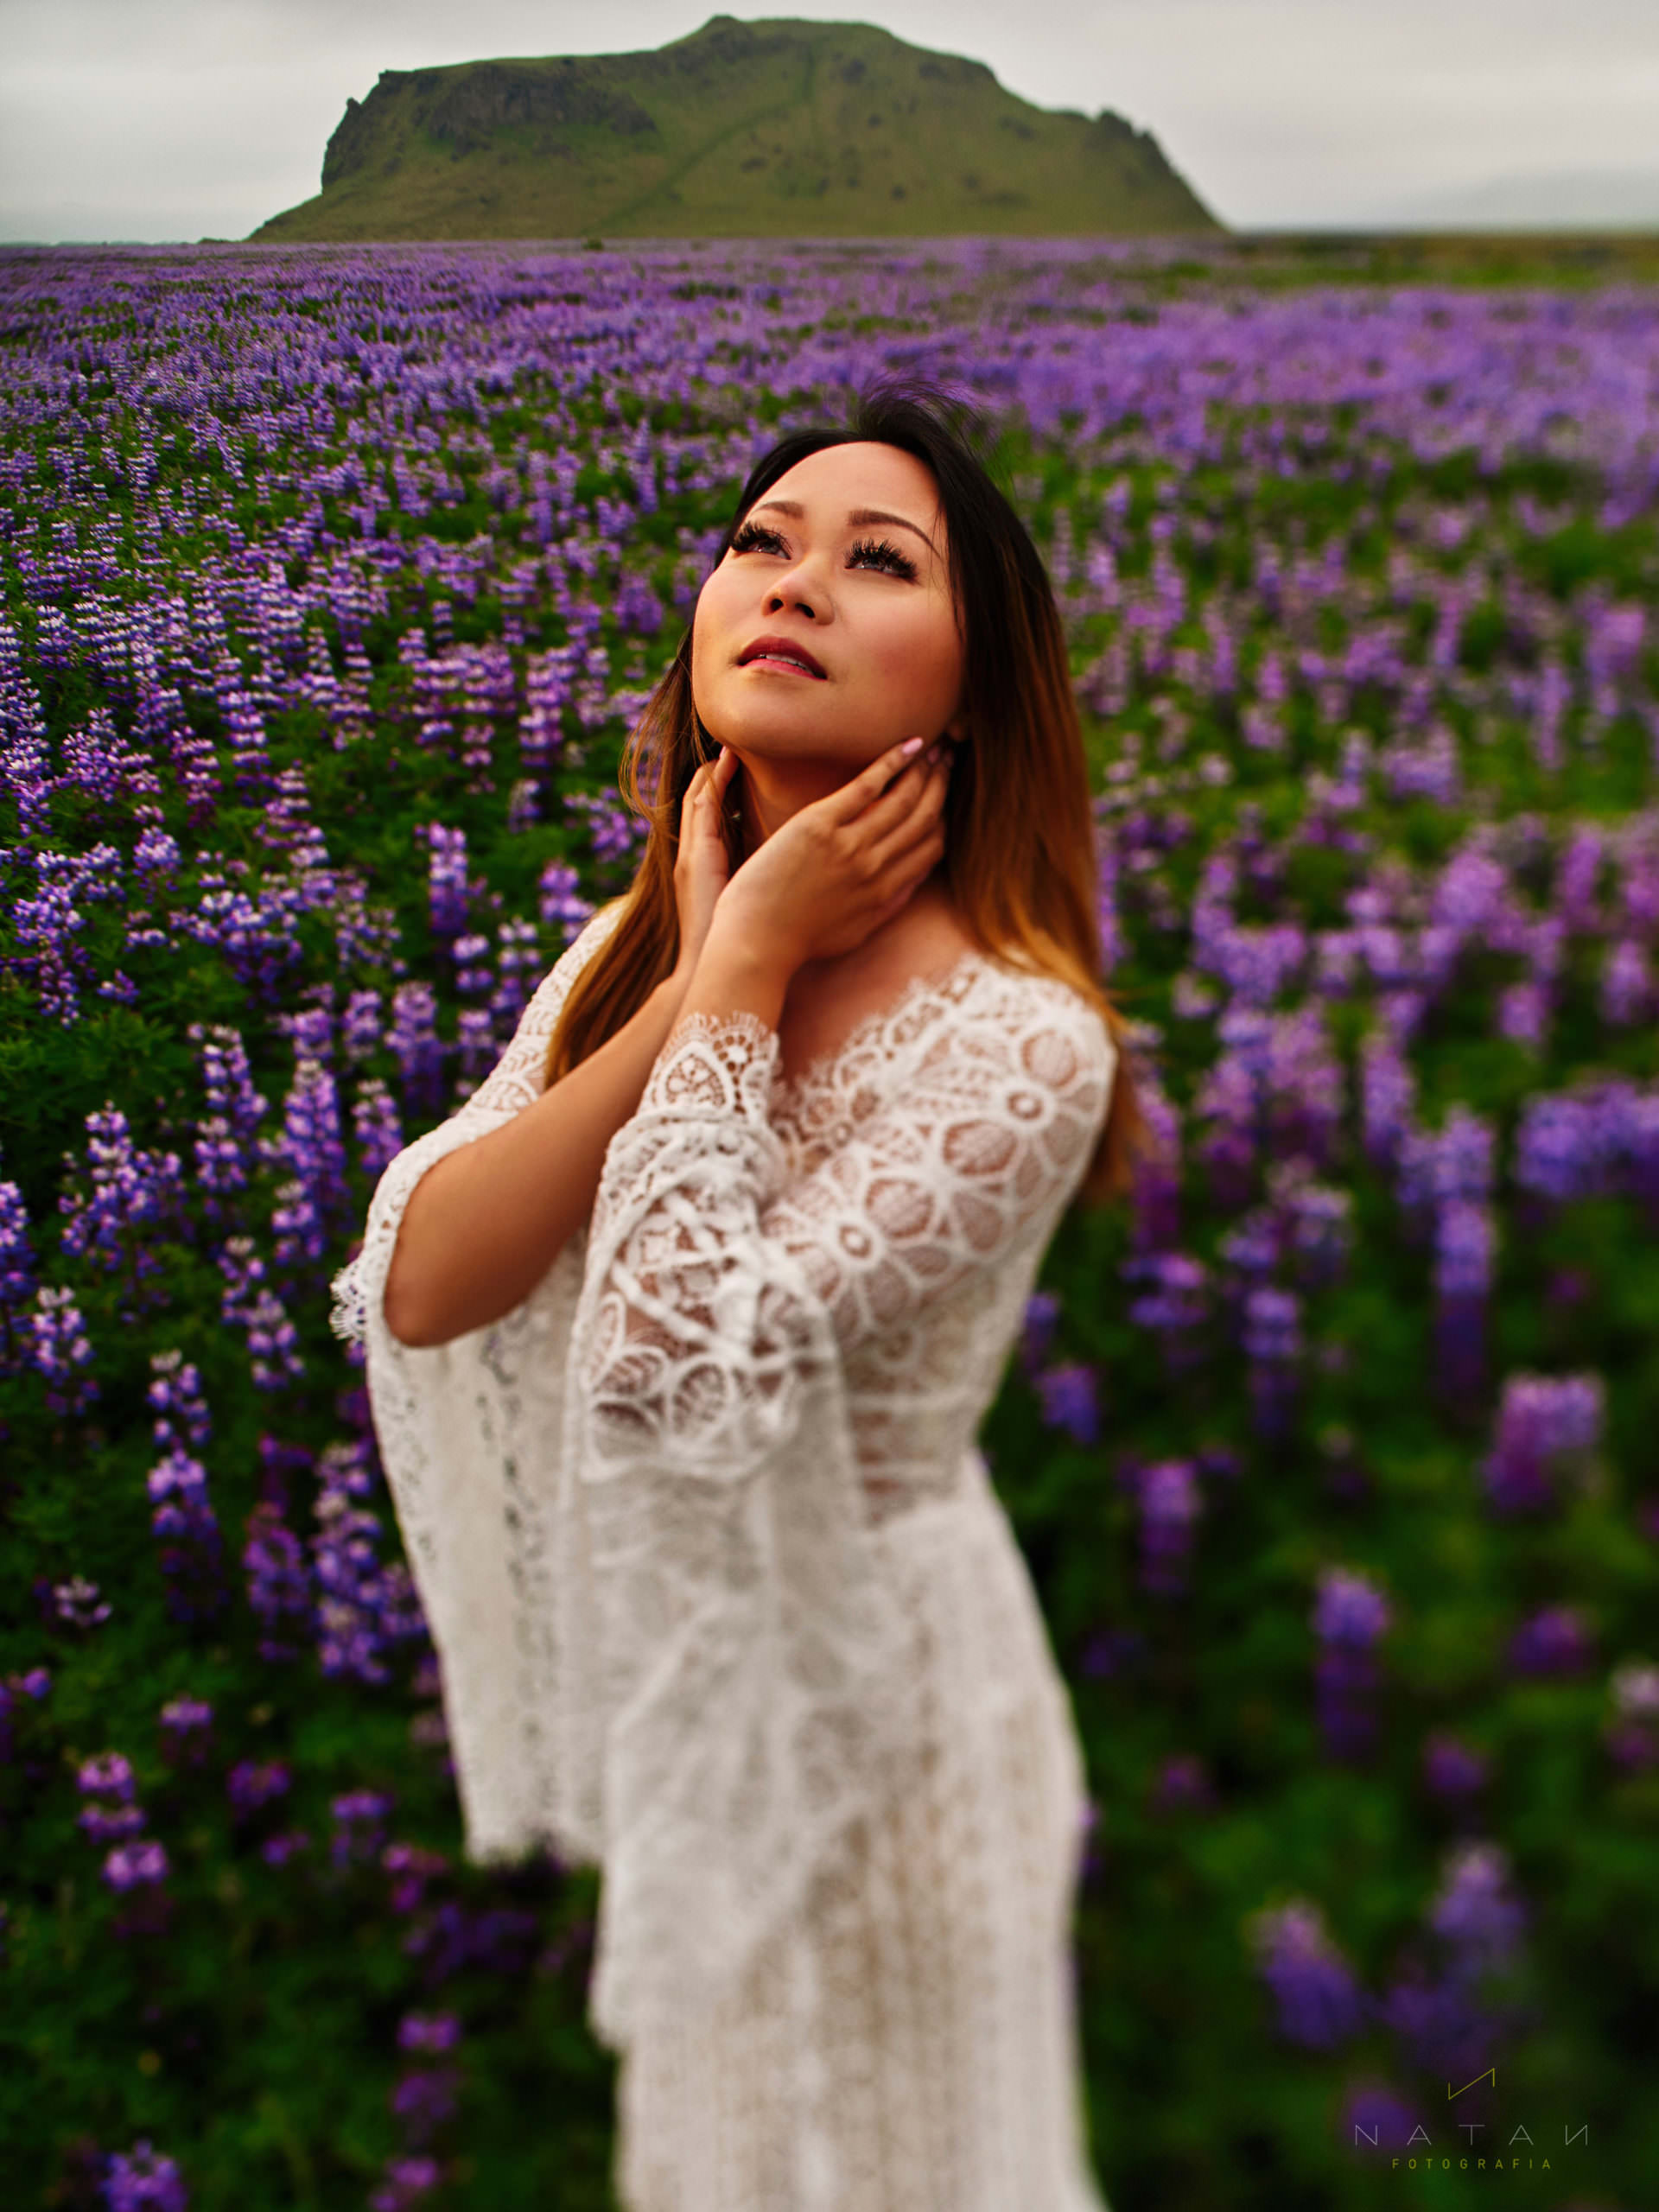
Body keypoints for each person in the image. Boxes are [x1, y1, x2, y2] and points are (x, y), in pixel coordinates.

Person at [332, 379, 1147, 2212]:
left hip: (894, 1721)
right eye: (760, 542)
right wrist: (711, 967)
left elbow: (667, 1371)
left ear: (972, 677)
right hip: (704, 1690)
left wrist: (747, 958)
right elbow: (431, 1281)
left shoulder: (1023, 1040)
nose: (794, 583)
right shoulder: (636, 953)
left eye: (880, 560)